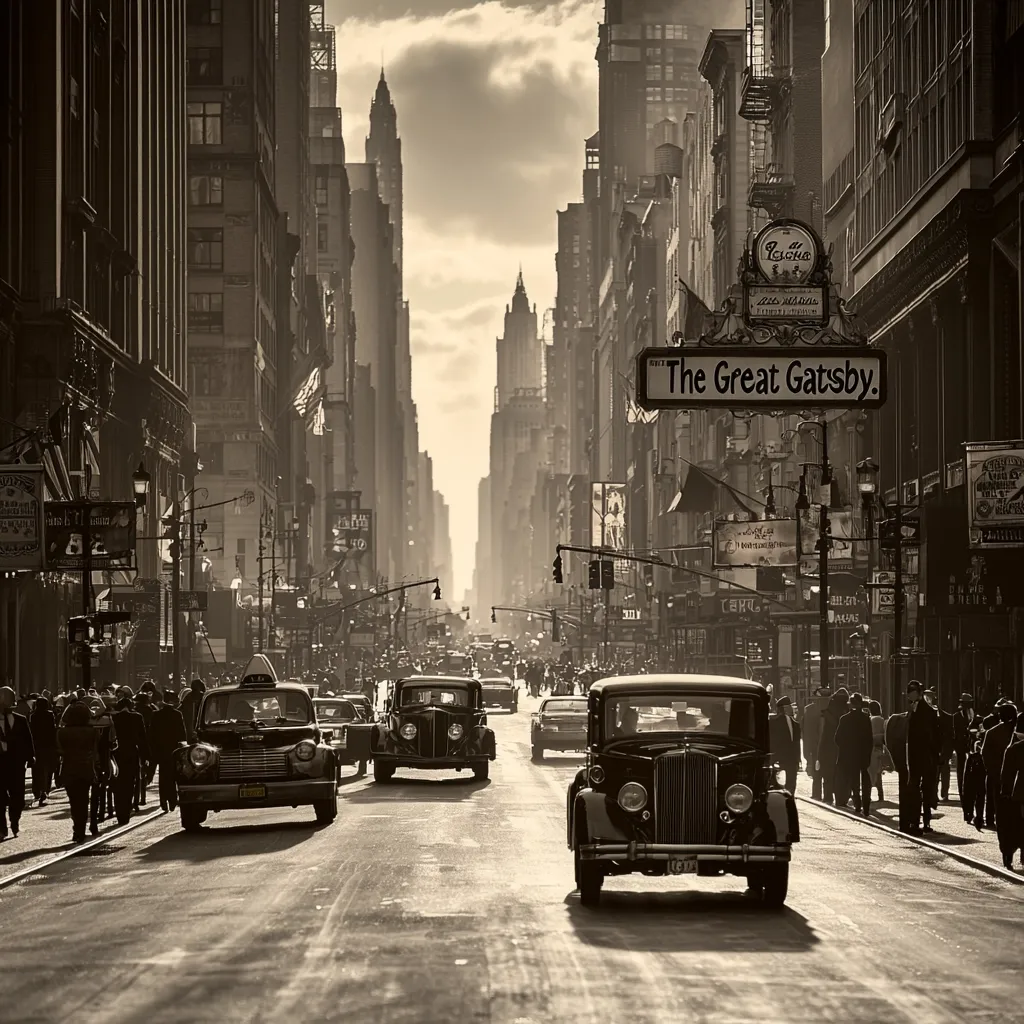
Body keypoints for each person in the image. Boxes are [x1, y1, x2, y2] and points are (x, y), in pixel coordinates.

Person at [56, 701, 99, 844]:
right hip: (86, 768)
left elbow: (59, 751)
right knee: (84, 799)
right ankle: (81, 828)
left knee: (74, 801)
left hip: (69, 769)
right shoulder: (92, 731)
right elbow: (95, 752)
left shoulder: (62, 732)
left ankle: (77, 828)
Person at [905, 680, 941, 835]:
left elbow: (926, 735)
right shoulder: (921, 709)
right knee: (924, 789)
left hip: (921, 755)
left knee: (919, 789)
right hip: (923, 756)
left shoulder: (922, 711)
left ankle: (917, 821)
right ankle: (922, 820)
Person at [0, 685, 35, 840]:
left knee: (18, 797)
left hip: (16, 765)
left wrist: (31, 757)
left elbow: (28, 740)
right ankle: (1, 828)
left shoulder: (20, 720)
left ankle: (15, 821)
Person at [111, 691, 149, 823]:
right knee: (130, 783)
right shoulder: (137, 717)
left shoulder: (113, 718)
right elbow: (142, 739)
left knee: (118, 783)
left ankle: (119, 810)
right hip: (132, 754)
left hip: (116, 755)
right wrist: (145, 757)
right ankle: (126, 811)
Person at [834, 692, 875, 815]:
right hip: (863, 755)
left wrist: (845, 749)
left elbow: (837, 738)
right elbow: (869, 738)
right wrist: (868, 752)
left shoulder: (845, 719)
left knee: (854, 781)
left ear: (851, 704)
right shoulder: (866, 718)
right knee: (866, 779)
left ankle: (857, 804)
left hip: (850, 756)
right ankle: (866, 806)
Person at [981, 702, 1018, 831]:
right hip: (1015, 771)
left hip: (995, 770)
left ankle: (991, 819)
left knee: (993, 797)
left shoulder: (991, 732)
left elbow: (984, 753)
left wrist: (990, 769)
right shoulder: (1016, 732)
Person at [149, 692, 187, 812]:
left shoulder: (156, 715)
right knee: (173, 775)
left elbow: (151, 734)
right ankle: (172, 800)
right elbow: (182, 734)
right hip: (174, 750)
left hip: (160, 750)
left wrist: (153, 750)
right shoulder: (177, 714)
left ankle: (163, 801)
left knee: (163, 776)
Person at [998, 712, 1024, 871]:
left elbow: (1006, 776)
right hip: (1018, 794)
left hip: (1017, 796)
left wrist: (1005, 794)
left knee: (1013, 827)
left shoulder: (1014, 749)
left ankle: (1009, 856)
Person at [816, 687, 849, 806]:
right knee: (841, 775)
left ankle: (828, 797)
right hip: (843, 749)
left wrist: (819, 753)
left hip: (828, 748)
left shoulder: (827, 713)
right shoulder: (847, 711)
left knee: (828, 775)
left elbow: (823, 735)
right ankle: (841, 798)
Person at [29, 696, 59, 806]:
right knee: (48, 769)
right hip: (48, 745)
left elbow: (32, 731)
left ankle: (37, 791)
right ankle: (45, 790)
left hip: (37, 746)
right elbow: (52, 730)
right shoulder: (50, 715)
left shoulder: (33, 716)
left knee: (37, 770)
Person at [884, 710, 911, 831]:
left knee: (905, 789)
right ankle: (910, 822)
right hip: (908, 762)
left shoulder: (896, 720)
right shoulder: (898, 721)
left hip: (903, 762)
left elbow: (889, 742)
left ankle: (906, 821)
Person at [769, 696, 801, 793]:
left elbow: (796, 743)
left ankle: (790, 800)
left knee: (791, 785)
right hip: (777, 759)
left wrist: (798, 759)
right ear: (784, 708)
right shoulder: (772, 722)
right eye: (790, 706)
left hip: (791, 760)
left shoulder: (795, 724)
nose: (792, 709)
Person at [801, 688, 828, 799]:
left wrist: (807, 754)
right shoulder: (831, 709)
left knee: (818, 774)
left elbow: (805, 732)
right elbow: (806, 733)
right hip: (821, 748)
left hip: (817, 748)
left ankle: (818, 795)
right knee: (824, 774)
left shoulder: (809, 710)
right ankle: (826, 795)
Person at [952, 693, 979, 797]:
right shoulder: (956, 716)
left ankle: (971, 790)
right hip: (961, 746)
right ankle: (961, 790)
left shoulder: (974, 714)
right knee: (961, 769)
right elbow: (954, 733)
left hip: (972, 746)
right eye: (966, 703)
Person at [867, 699, 886, 803]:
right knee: (878, 773)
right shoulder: (882, 720)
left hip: (871, 749)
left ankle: (868, 794)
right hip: (880, 748)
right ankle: (880, 795)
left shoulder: (871, 720)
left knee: (870, 772)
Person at [178, 678, 207, 743]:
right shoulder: (189, 697)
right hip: (190, 726)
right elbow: (181, 709)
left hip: (200, 725)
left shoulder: (202, 697)